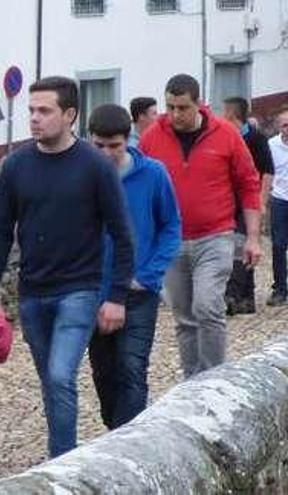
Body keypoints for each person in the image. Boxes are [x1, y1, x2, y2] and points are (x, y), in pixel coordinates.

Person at [0, 76, 134, 458]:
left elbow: (122, 234)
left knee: (63, 375)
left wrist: (116, 297)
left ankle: (62, 463)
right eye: (31, 110)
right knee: (51, 381)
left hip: (79, 290)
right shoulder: (14, 167)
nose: (34, 118)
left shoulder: (95, 166)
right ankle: (63, 455)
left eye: (44, 111)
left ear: (70, 115)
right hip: (33, 293)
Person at [139, 74, 261, 379]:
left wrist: (253, 238)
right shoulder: (153, 138)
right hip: (170, 240)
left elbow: (248, 183)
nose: (176, 115)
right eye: (170, 107)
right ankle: (192, 382)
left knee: (207, 306)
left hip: (215, 236)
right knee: (184, 318)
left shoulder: (226, 135)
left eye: (183, 107)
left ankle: (214, 379)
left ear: (199, 104)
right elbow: (141, 186)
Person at [86, 104, 181, 430]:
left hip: (139, 291)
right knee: (103, 371)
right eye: (100, 145)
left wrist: (149, 275)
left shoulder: (153, 174)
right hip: (95, 291)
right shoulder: (83, 177)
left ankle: (127, 441)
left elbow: (171, 227)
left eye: (115, 145)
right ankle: (116, 430)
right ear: (90, 140)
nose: (107, 153)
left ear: (129, 140)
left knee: (132, 367)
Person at [221, 96, 274, 314]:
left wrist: (261, 202)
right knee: (237, 246)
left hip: (248, 202)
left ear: (232, 115)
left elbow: (268, 171)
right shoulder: (226, 138)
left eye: (225, 113)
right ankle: (247, 297)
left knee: (242, 246)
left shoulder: (256, 139)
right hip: (229, 201)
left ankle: (232, 295)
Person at [268, 105, 288, 306]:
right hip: (280, 199)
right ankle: (280, 288)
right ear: (278, 127)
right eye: (284, 125)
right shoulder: (271, 145)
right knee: (278, 245)